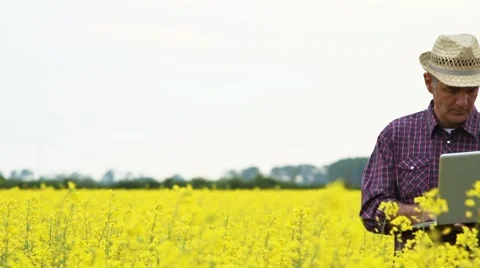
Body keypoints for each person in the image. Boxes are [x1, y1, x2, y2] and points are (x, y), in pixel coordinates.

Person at [360, 33, 480, 252]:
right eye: (451, 90)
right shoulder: (396, 135)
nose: (463, 102)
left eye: (471, 90)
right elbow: (372, 210)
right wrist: (431, 213)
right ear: (429, 83)